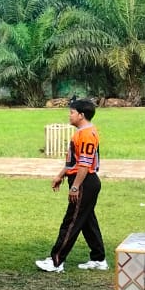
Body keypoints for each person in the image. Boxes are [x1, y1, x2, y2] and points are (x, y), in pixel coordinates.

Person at [37, 97, 106, 273]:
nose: (69, 115)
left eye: (72, 112)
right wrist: (60, 176)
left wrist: (75, 187)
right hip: (82, 180)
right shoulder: (81, 132)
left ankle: (56, 261)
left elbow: (84, 165)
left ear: (81, 115)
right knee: (87, 222)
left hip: (84, 182)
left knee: (71, 222)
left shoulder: (87, 135)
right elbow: (73, 162)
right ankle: (99, 259)